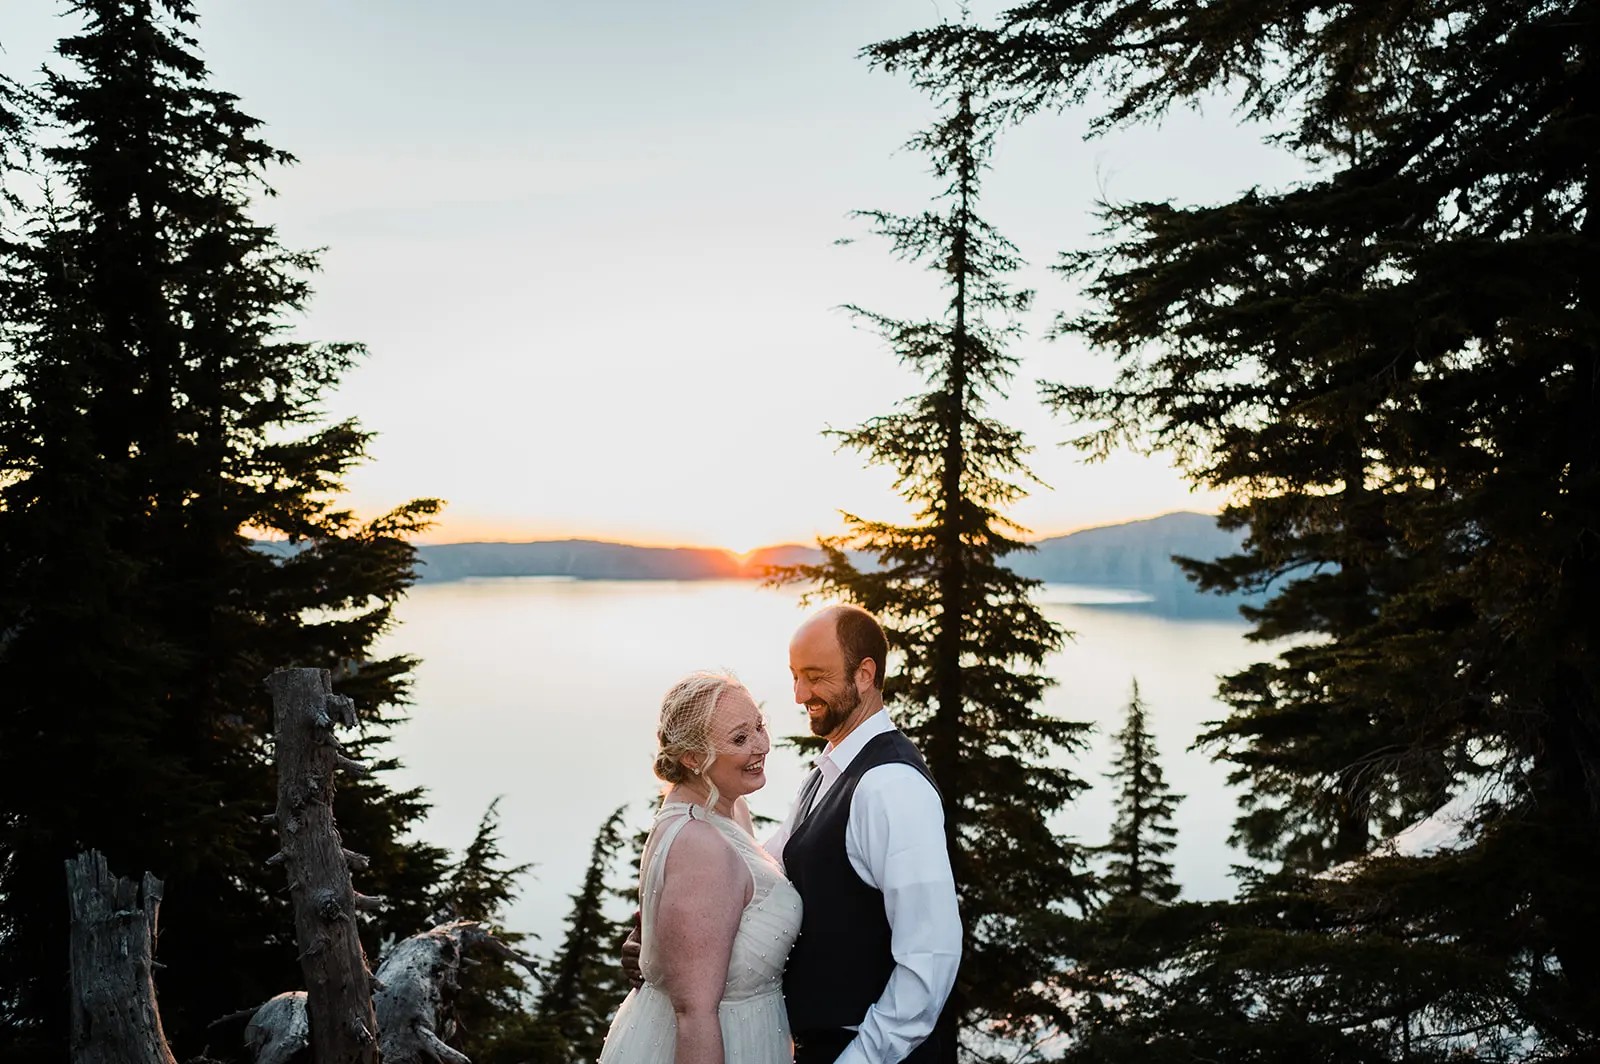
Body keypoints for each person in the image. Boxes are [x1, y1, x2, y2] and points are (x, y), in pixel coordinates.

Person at [623, 606, 962, 1064]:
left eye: (816, 677)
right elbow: (761, 869)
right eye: (795, 676)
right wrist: (667, 935)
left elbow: (930, 959)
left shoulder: (891, 787)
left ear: (864, 675)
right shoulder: (829, 772)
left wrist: (858, 1060)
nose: (801, 694)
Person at [598, 671, 802, 1064]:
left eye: (759, 726)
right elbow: (693, 1015)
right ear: (692, 758)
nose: (762, 745)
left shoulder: (727, 808)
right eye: (740, 738)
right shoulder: (700, 844)